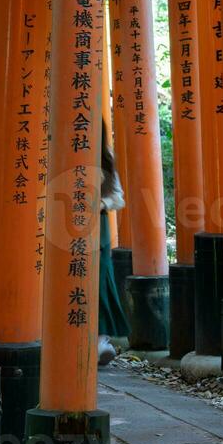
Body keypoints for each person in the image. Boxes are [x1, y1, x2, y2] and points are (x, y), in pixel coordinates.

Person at [98, 120, 130, 365]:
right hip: (62, 227)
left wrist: (101, 204)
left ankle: (101, 340)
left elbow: (118, 198)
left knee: (100, 281)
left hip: (96, 229)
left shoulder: (105, 158)